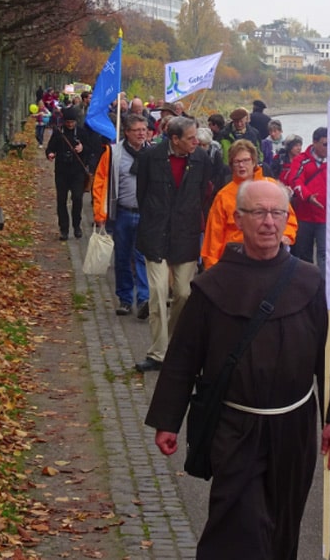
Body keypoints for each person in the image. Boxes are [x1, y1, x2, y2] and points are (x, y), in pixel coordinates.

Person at [144, 180, 330, 559]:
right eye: (259, 212)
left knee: (282, 523)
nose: (269, 222)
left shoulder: (312, 282)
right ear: (238, 218)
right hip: (235, 426)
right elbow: (183, 357)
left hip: (295, 426)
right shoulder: (211, 287)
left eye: (278, 213)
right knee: (237, 527)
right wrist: (167, 420)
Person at [133, 116, 212, 372]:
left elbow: (202, 196)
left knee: (184, 293)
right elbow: (141, 195)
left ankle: (175, 344)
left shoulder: (202, 160)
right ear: (175, 139)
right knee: (157, 292)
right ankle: (157, 353)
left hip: (185, 235)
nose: (196, 141)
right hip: (155, 234)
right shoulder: (150, 158)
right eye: (190, 138)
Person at [201, 140, 297, 269]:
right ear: (231, 165)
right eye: (237, 162)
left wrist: (286, 235)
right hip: (235, 261)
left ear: (254, 162)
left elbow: (289, 218)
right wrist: (212, 269)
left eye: (245, 160)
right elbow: (213, 238)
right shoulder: (223, 196)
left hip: (268, 257)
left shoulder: (271, 186)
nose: (241, 165)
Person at [92, 114, 150, 318]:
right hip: (123, 213)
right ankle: (125, 299)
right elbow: (100, 184)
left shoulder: (152, 153)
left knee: (143, 257)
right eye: (138, 130)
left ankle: (144, 299)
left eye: (144, 129)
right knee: (123, 257)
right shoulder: (113, 153)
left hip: (145, 214)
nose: (142, 133)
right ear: (127, 132)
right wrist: (100, 213)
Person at [282, 127, 328, 274]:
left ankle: (324, 289)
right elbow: (295, 181)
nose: (328, 148)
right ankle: (306, 287)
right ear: (314, 142)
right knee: (304, 255)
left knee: (324, 254)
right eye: (325, 144)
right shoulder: (301, 160)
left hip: (326, 217)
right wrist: (308, 197)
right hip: (304, 216)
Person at [45, 107, 90, 241]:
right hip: (62, 172)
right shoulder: (59, 133)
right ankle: (64, 228)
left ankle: (77, 225)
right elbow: (50, 148)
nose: (70, 124)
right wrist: (50, 154)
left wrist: (82, 149)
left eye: (72, 122)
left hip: (77, 172)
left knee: (77, 198)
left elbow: (90, 149)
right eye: (68, 122)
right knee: (61, 200)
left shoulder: (81, 133)